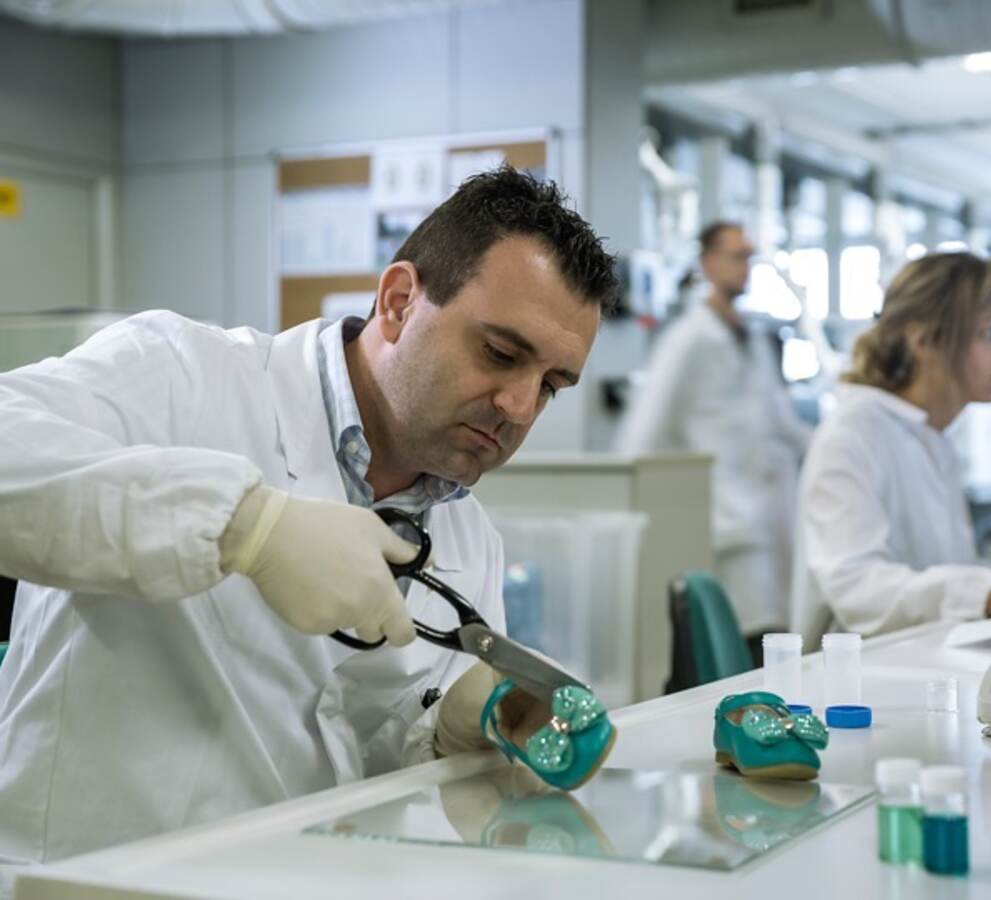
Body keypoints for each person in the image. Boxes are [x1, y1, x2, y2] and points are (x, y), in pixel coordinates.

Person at [0, 166, 618, 869]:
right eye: (501, 354)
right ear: (399, 300)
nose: (518, 406)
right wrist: (248, 526)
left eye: (550, 386)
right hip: (86, 877)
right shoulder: (180, 375)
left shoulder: (468, 539)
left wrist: (446, 729)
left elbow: (370, 765)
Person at [791, 252, 991, 650]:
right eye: (990, 333)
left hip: (919, 667)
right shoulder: (853, 434)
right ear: (923, 339)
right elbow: (856, 588)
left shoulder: (932, 437)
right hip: (850, 689)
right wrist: (985, 594)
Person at [617, 222, 811, 646]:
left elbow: (781, 423)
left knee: (773, 640)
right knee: (742, 646)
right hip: (724, 524)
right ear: (707, 262)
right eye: (737, 256)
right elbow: (643, 435)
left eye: (750, 257)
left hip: (769, 519)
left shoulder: (753, 338)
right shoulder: (688, 340)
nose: (747, 267)